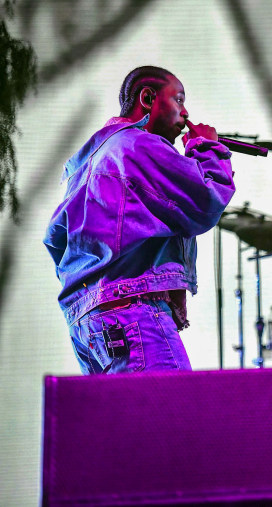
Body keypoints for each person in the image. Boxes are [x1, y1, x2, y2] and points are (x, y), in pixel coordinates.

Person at [44, 66, 236, 374]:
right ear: (148, 97)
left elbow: (55, 240)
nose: (185, 113)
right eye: (179, 100)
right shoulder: (138, 144)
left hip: (88, 323)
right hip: (131, 313)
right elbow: (206, 199)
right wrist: (207, 147)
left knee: (128, 422)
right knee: (173, 417)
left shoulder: (86, 162)